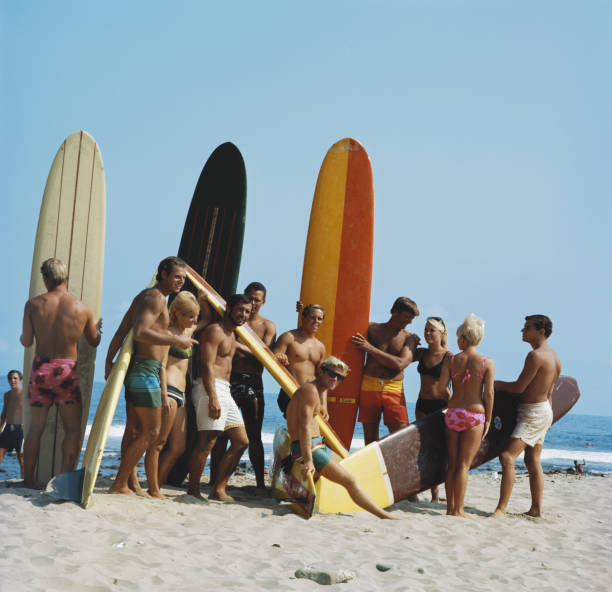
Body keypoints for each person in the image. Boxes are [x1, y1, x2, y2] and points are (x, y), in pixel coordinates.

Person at [106, 257, 197, 497]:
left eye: (184, 278)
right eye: (177, 276)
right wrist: (177, 339)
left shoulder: (146, 297)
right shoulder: (155, 298)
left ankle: (130, 483)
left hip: (144, 371)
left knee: (136, 430)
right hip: (144, 371)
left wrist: (109, 361)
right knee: (152, 432)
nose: (181, 282)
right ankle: (119, 483)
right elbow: (140, 332)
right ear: (163, 273)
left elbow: (121, 331)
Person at [20, 258, 102, 488]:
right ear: (67, 278)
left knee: (35, 429)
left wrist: (22, 336)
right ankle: (63, 482)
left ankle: (28, 481)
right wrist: (99, 329)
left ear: (45, 278)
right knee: (73, 430)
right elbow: (94, 341)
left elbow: (26, 342)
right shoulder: (82, 308)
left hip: (41, 371)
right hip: (66, 371)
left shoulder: (33, 305)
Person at [286, 356, 396, 519]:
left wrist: (324, 407)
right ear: (321, 372)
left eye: (340, 378)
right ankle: (384, 516)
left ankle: (308, 490)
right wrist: (308, 460)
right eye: (332, 374)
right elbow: (304, 427)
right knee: (350, 481)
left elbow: (318, 405)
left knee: (349, 468)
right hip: (310, 449)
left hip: (318, 445)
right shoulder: (310, 391)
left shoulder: (318, 390)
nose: (335, 379)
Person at [492, 315, 561, 518]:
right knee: (532, 460)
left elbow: (518, 387)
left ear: (541, 331)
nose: (522, 331)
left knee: (507, 457)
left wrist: (494, 383)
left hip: (533, 413)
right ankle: (536, 509)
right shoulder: (555, 357)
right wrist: (548, 418)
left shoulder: (535, 356)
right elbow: (550, 393)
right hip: (543, 410)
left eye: (527, 328)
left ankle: (501, 509)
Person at [210, 282, 276, 491]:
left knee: (254, 434)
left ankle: (259, 483)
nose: (254, 303)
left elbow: (264, 355)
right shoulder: (236, 319)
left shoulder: (267, 326)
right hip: (230, 379)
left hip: (253, 381)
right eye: (251, 298)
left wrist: (239, 346)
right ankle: (214, 478)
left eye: (258, 300)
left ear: (263, 302)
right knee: (220, 432)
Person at [187, 294, 252, 501]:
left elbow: (252, 351)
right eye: (240, 309)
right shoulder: (214, 331)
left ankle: (218, 489)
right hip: (210, 388)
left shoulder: (232, 335)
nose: (243, 314)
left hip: (225, 389)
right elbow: (206, 365)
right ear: (229, 308)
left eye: (247, 312)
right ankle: (193, 490)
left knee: (241, 441)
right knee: (207, 441)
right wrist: (213, 397)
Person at [437, 313, 494, 517]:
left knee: (451, 463)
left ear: (464, 338)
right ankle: (459, 510)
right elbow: (488, 393)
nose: (457, 341)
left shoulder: (451, 360)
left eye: (459, 337)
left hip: (453, 413)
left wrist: (452, 400)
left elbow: (441, 388)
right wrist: (488, 418)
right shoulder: (487, 362)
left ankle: (449, 508)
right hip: (474, 414)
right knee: (463, 465)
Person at [351, 296, 420, 444]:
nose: (410, 322)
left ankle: (397, 467)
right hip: (369, 386)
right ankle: (372, 467)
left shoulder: (410, 338)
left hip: (393, 388)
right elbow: (344, 324)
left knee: (402, 437)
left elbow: (400, 364)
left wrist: (370, 349)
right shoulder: (372, 329)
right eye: (407, 317)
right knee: (370, 440)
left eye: (412, 318)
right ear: (395, 312)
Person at [151, 291, 200, 490]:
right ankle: (152, 487)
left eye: (195, 315)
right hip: (169, 390)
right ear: (177, 313)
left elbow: (204, 324)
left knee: (179, 447)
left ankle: (157, 484)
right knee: (159, 442)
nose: (193, 319)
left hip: (182, 394)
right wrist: (163, 395)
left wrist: (203, 302)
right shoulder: (168, 334)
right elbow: (161, 365)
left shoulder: (188, 332)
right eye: (189, 315)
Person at [413, 317, 452, 501]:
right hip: (421, 404)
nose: (427, 333)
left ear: (441, 333)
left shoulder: (449, 356)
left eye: (432, 330)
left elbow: (460, 383)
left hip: (440, 407)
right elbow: (399, 359)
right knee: (424, 449)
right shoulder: (421, 353)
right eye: (426, 330)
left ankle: (436, 494)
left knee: (438, 450)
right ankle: (422, 487)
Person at [273, 304, 326, 418]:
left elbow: (322, 379)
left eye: (319, 318)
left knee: (307, 433)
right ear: (303, 318)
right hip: (291, 392)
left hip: (311, 396)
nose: (316, 321)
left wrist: (323, 405)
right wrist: (279, 357)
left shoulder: (320, 347)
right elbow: (273, 356)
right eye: (312, 317)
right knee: (302, 430)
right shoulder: (289, 337)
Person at [0, 370, 24, 477]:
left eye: (15, 378)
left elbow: (30, 413)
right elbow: (4, 414)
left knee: (22, 460)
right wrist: (0, 429)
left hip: (20, 430)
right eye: (10, 378)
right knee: (0, 454)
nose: (12, 380)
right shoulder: (7, 395)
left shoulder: (25, 394)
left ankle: (25, 481)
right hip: (8, 429)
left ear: (20, 380)